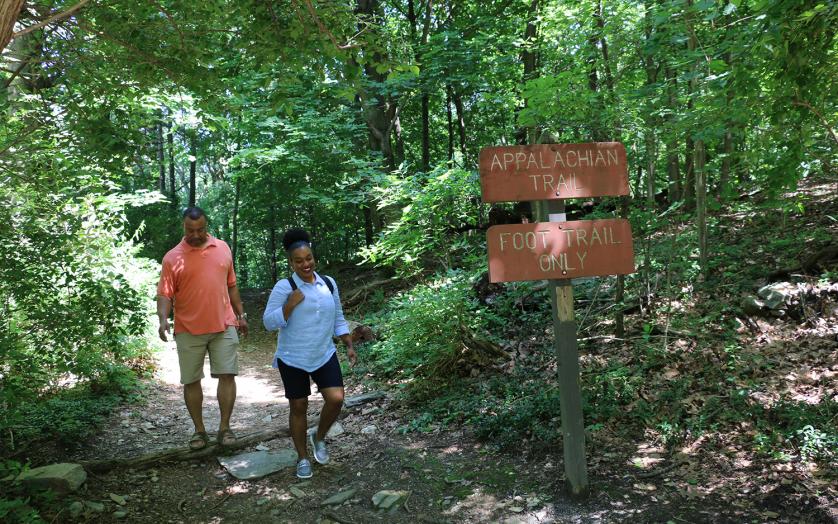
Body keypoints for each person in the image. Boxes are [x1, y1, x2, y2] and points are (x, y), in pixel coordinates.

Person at [263, 228, 357, 479]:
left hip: (324, 353)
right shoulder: (285, 287)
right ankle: (302, 457)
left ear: (313, 257)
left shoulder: (328, 283)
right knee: (299, 405)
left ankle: (319, 437)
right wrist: (289, 306)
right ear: (291, 262)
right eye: (299, 260)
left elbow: (337, 316)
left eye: (309, 258)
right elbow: (268, 323)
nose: (305, 264)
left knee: (336, 399)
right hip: (292, 357)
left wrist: (347, 341)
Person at [156, 206, 248, 451]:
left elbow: (232, 286)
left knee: (227, 374)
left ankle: (225, 428)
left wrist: (241, 314)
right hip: (188, 328)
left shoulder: (223, 248)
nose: (195, 234)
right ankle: (199, 431)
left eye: (200, 229)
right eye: (190, 230)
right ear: (183, 227)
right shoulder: (172, 258)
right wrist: (163, 319)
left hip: (223, 324)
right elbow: (165, 294)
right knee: (191, 380)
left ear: (207, 226)